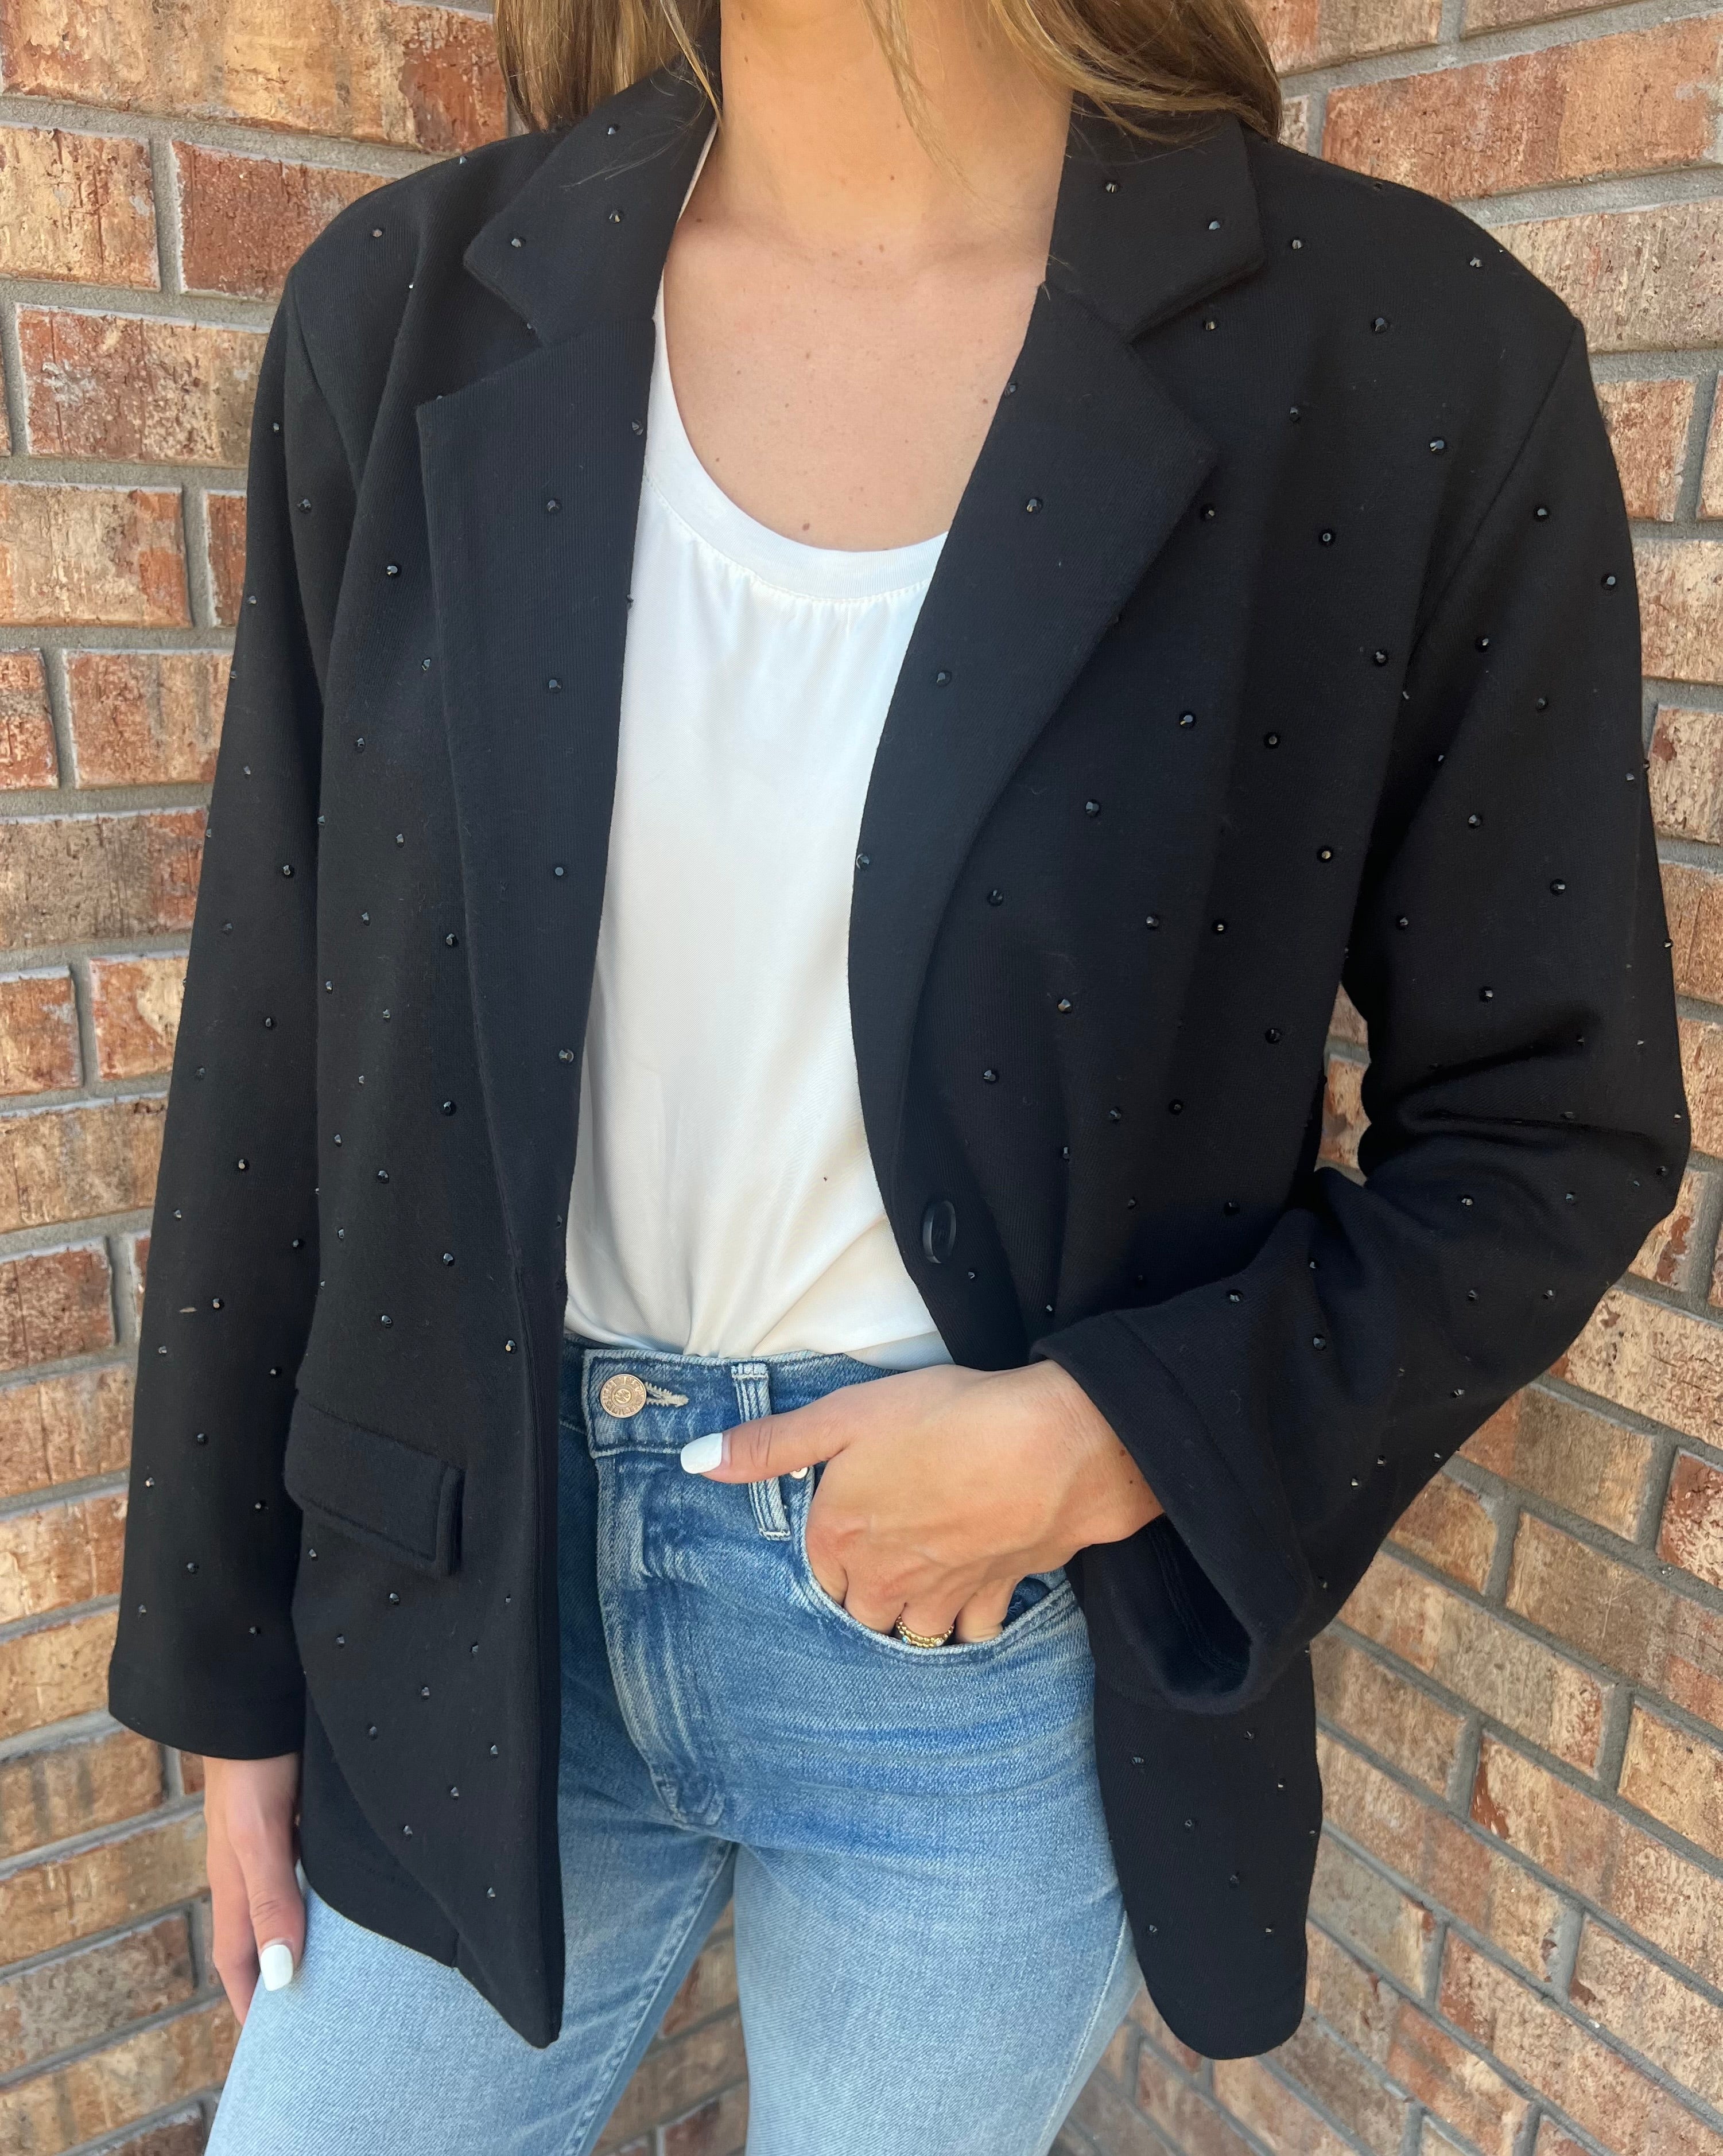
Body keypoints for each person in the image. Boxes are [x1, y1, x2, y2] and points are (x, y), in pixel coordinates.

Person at [107, 0, 1687, 2145]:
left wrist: (1114, 1437)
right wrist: (225, 1669)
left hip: (981, 1645)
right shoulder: (406, 312)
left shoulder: (1402, 357)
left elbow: (1547, 1126)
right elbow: (278, 1043)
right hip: (465, 1600)